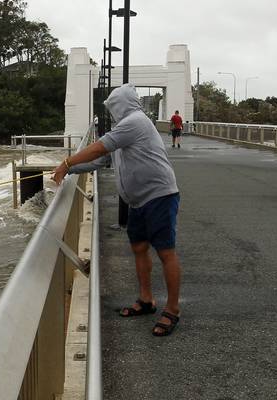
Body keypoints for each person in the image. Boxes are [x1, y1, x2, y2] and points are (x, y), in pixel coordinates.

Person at [52, 84, 182, 336]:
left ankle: (173, 309)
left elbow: (99, 147)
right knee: (140, 249)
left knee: (166, 252)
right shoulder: (124, 129)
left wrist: (67, 161)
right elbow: (101, 160)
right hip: (137, 202)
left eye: (114, 107)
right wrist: (67, 171)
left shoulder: (136, 122)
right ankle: (146, 300)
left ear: (123, 105)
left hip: (159, 196)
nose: (112, 112)